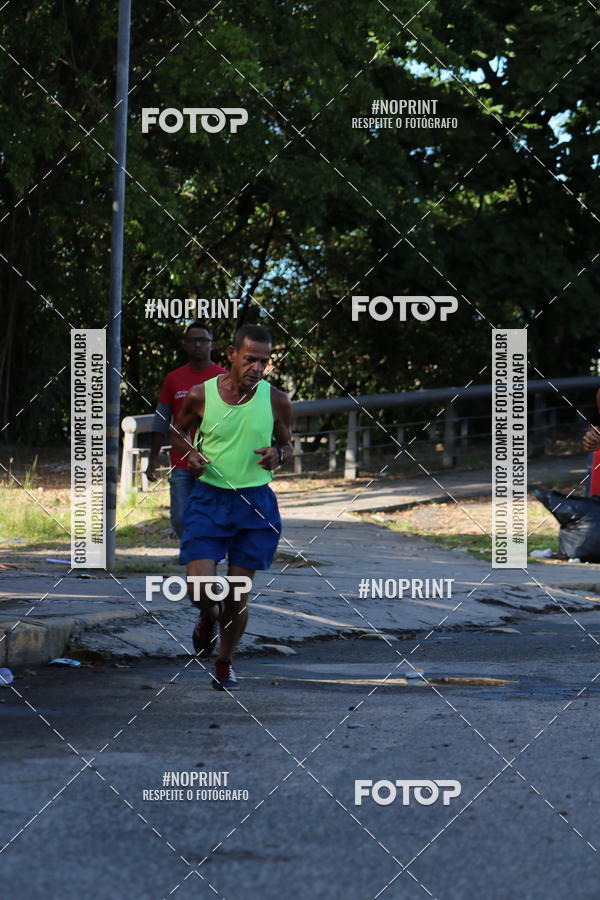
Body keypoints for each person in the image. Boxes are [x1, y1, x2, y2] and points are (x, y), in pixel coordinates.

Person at [171, 324, 293, 691]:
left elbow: (288, 444)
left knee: (237, 594)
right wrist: (190, 454)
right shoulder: (201, 395)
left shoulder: (276, 400)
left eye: (264, 361)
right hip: (208, 500)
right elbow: (177, 431)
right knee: (200, 590)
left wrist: (279, 454)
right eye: (250, 359)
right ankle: (208, 617)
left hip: (254, 505)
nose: (257, 368)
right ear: (231, 354)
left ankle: (224, 661)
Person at [147, 320, 227, 537]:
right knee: (181, 518)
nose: (198, 344)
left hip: (215, 462)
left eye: (203, 340)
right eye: (192, 340)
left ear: (212, 344)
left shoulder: (224, 379)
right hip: (181, 461)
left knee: (213, 516)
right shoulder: (173, 379)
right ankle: (192, 550)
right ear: (185, 344)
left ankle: (208, 553)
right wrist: (152, 459)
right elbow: (162, 419)